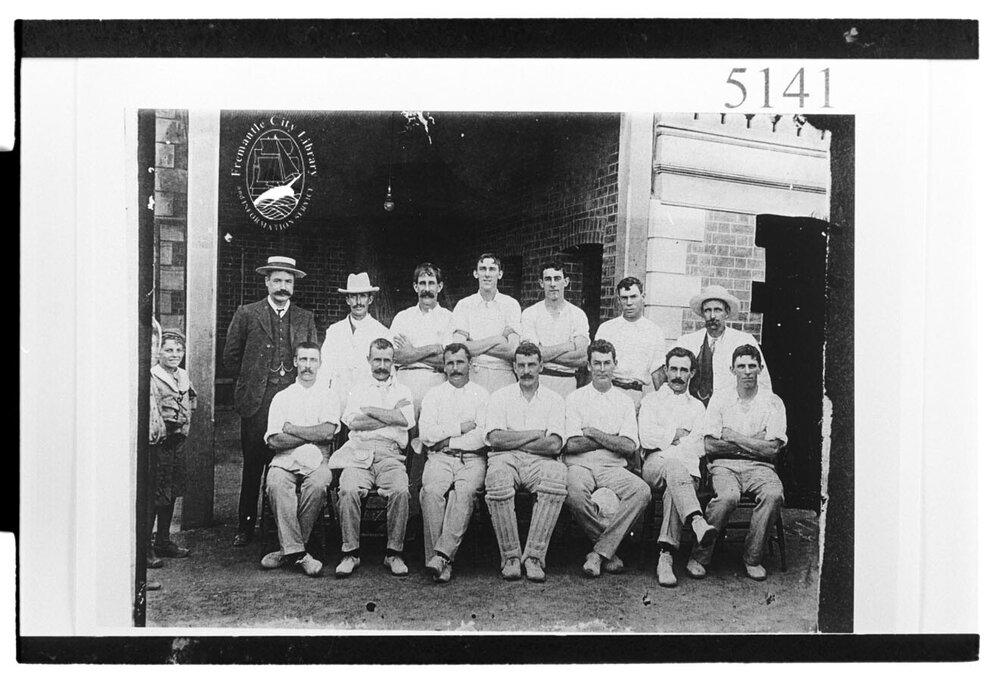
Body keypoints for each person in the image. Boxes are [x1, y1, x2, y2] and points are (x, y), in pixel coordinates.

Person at [223, 256, 317, 547]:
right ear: (266, 282)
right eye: (277, 280)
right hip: (258, 401)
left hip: (293, 401)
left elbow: (313, 357)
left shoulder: (304, 317)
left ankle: (283, 526)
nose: (282, 287)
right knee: (253, 464)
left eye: (288, 282)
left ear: (294, 285)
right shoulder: (247, 313)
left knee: (290, 460)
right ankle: (245, 526)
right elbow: (230, 357)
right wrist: (253, 381)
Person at [689, 344, 787, 581]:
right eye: (741, 366)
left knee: (774, 494)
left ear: (760, 369)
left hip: (761, 468)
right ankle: (700, 556)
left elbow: (773, 449)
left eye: (752, 366)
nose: (747, 372)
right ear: (732, 369)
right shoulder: (720, 399)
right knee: (727, 497)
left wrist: (733, 436)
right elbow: (711, 445)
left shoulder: (773, 402)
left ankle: (752, 558)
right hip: (724, 466)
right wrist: (754, 444)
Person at [563, 339, 651, 577]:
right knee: (574, 493)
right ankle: (609, 548)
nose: (602, 369)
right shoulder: (574, 398)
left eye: (607, 363)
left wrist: (592, 432)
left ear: (615, 365)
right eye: (597, 363)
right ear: (589, 366)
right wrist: (610, 438)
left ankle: (598, 553)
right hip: (580, 463)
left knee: (641, 491)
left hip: (612, 466)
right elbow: (571, 444)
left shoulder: (624, 402)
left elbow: (629, 445)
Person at [483, 341, 567, 582]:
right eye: (522, 365)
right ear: (514, 367)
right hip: (505, 458)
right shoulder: (500, 396)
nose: (527, 370)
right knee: (497, 476)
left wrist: (514, 438)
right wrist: (534, 434)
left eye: (532, 365)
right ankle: (510, 557)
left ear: (541, 365)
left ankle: (533, 557)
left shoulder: (554, 399)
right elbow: (495, 439)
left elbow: (553, 445)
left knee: (557, 475)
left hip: (542, 460)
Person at [333, 338, 416, 578]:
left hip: (391, 453)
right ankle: (351, 552)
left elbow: (406, 420)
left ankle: (394, 553)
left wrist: (368, 410)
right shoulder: (357, 388)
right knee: (348, 489)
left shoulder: (403, 390)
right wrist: (390, 414)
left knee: (400, 490)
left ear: (393, 362)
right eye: (377, 359)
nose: (381, 365)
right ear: (368, 360)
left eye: (386, 360)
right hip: (359, 450)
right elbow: (353, 422)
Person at [638, 346, 718, 587]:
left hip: (685, 471)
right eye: (673, 368)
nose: (677, 375)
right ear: (666, 369)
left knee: (675, 481)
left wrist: (669, 441)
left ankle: (666, 557)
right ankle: (696, 519)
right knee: (674, 466)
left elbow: (700, 446)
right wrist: (677, 434)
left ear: (692, 373)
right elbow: (646, 438)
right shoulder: (651, 401)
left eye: (684, 370)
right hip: (654, 465)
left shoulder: (697, 407)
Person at [259, 342, 337, 577]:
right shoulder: (282, 398)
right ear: (294, 362)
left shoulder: (329, 395)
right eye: (303, 360)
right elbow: (274, 441)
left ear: (320, 364)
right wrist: (309, 436)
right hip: (285, 458)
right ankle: (299, 553)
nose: (307, 366)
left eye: (313, 360)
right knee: (275, 482)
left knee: (319, 482)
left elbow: (327, 433)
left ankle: (288, 550)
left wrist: (292, 429)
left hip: (318, 459)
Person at [417, 343, 490, 583]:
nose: (455, 368)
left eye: (460, 362)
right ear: (444, 366)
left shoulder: (482, 394)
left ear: (470, 364)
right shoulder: (434, 395)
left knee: (465, 491)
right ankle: (439, 562)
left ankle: (441, 556)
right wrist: (457, 430)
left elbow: (481, 436)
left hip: (472, 459)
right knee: (430, 492)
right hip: (439, 458)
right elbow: (426, 434)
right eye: (450, 363)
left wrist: (446, 441)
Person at [671, 284, 772, 406]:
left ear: (727, 312)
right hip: (694, 413)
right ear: (703, 313)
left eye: (718, 310)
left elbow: (763, 382)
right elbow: (668, 377)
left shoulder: (744, 341)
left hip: (731, 411)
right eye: (708, 310)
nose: (712, 316)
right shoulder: (686, 342)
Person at [148, 328, 197, 565]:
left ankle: (163, 540)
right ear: (158, 352)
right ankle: (146, 548)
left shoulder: (183, 375)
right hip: (159, 444)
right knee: (156, 494)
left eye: (179, 350)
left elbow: (191, 400)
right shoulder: (153, 376)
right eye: (168, 350)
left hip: (178, 442)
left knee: (172, 492)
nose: (174, 354)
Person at [319, 272, 391, 418]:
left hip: (367, 404)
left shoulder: (382, 332)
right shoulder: (334, 331)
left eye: (363, 296)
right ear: (347, 300)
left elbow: (388, 373)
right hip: (338, 402)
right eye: (353, 296)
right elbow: (324, 371)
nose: (358, 302)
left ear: (370, 299)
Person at [388, 263, 452, 421]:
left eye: (431, 283)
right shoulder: (403, 317)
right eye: (422, 283)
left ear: (440, 287)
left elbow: (447, 360)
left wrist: (411, 352)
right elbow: (394, 356)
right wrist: (434, 348)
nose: (427, 289)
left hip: (436, 383)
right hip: (405, 383)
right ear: (416, 287)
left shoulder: (449, 318)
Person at [451, 252, 522, 393]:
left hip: (504, 377)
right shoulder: (464, 305)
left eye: (492, 269)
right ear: (475, 274)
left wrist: (473, 345)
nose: (487, 274)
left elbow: (513, 350)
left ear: (500, 274)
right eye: (483, 269)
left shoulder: (511, 304)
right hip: (473, 375)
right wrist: (499, 339)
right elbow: (458, 349)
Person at [520, 260, 590, 397]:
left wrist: (543, 354)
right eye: (548, 279)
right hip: (539, 381)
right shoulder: (530, 313)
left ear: (566, 282)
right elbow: (530, 355)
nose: (552, 284)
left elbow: (582, 357)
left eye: (557, 278)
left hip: (568, 383)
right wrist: (569, 346)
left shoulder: (577, 314)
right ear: (541, 283)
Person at [595, 277, 666, 408]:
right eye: (624, 298)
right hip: (609, 392)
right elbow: (595, 366)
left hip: (637, 395)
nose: (629, 302)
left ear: (643, 297)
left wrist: (661, 405)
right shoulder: (606, 329)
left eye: (633, 297)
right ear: (618, 300)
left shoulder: (654, 332)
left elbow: (658, 374)